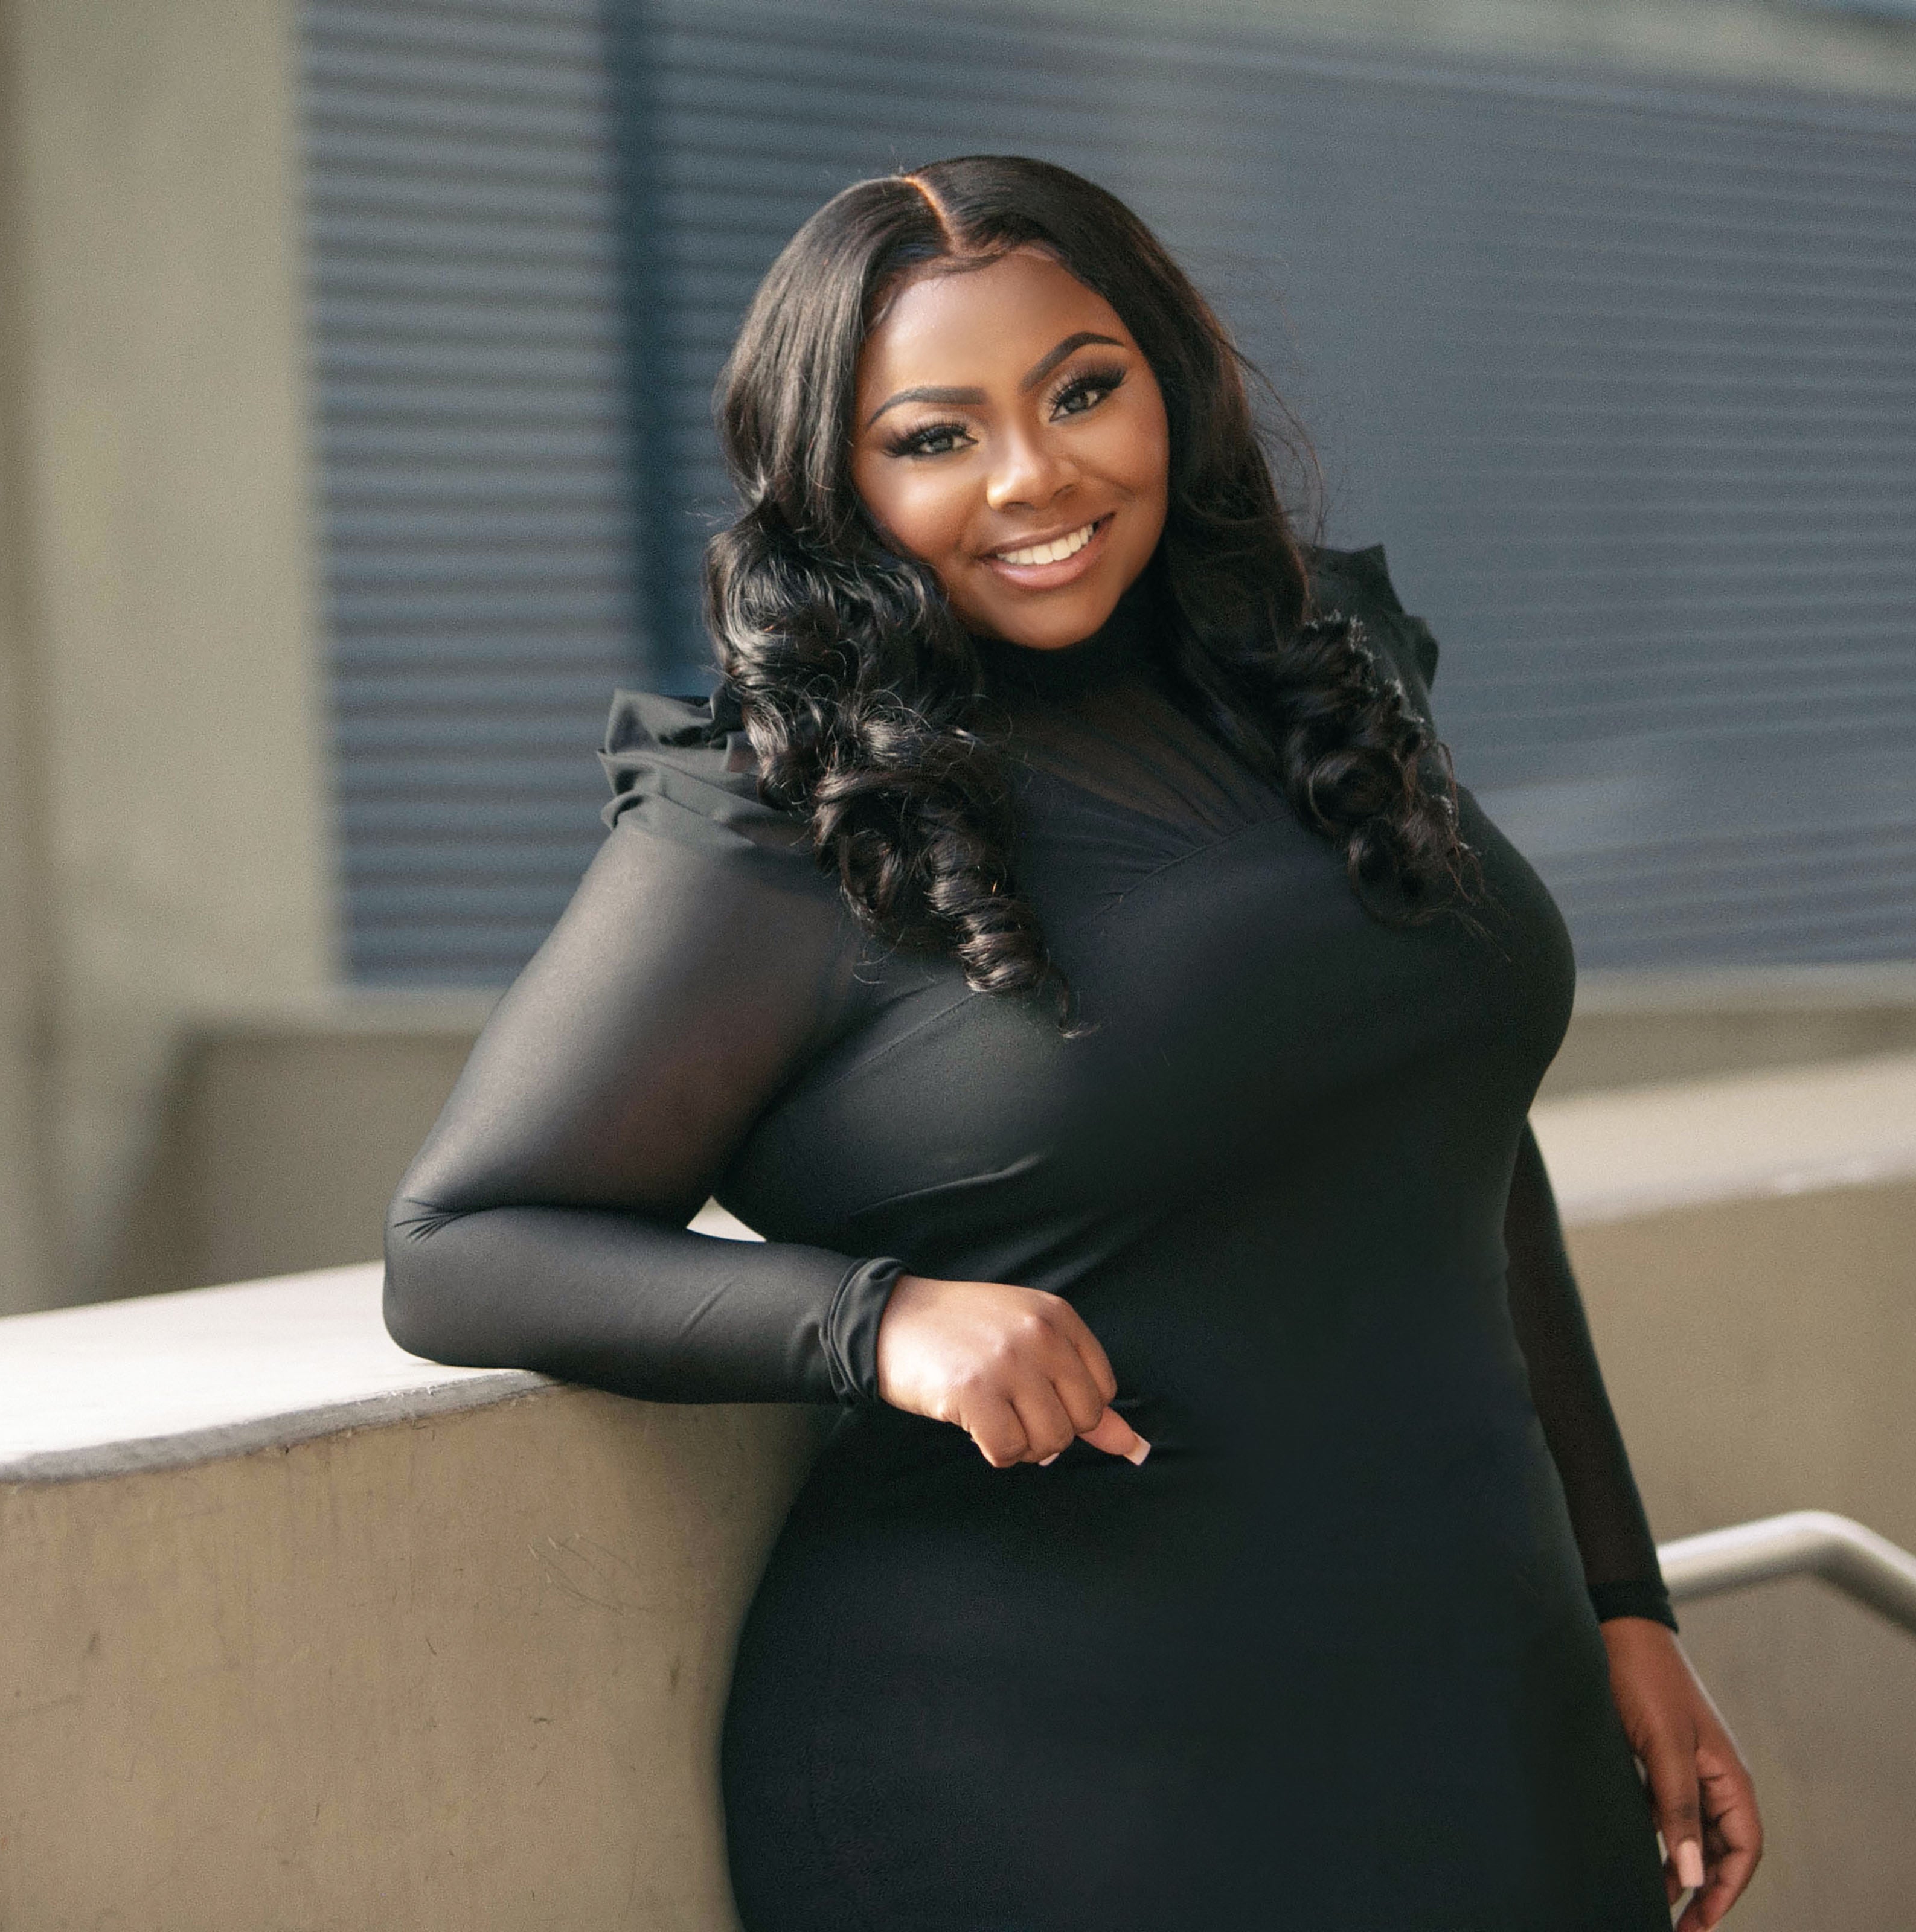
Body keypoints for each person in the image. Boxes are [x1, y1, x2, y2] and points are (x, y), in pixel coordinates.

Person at [384, 153, 1761, 1930]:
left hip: (1477, 1695)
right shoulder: (777, 821)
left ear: (1169, 385)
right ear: (841, 482)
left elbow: (1463, 1157)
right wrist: (879, 1323)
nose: (1036, 479)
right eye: (934, 437)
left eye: (1083, 391)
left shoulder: (1324, 670)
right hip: (1050, 1765)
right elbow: (459, 1248)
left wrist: (1624, 1606)